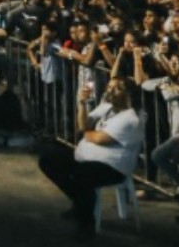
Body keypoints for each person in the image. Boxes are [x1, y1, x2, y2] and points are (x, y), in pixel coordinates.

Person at [37, 77, 141, 238]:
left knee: (81, 176)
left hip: (112, 166)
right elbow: (82, 126)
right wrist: (82, 103)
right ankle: (80, 204)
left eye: (116, 89)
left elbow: (98, 138)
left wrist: (87, 134)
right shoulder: (106, 107)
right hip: (84, 157)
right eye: (109, 87)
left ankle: (87, 224)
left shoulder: (130, 118)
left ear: (128, 95)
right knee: (48, 158)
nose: (110, 92)